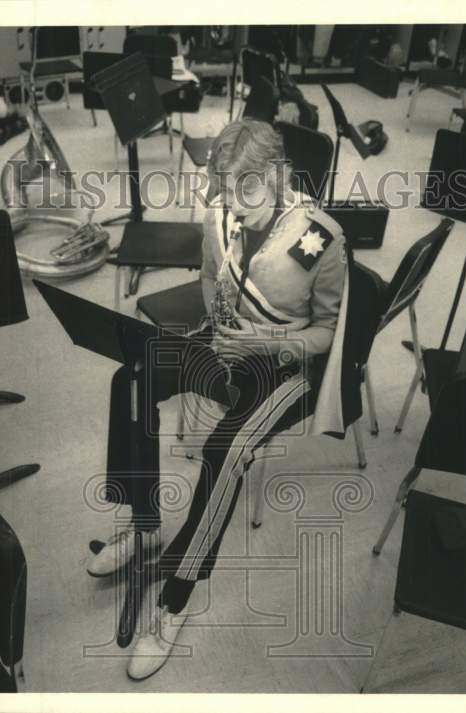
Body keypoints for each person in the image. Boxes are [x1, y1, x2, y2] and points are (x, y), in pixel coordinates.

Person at [90, 118, 351, 680]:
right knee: (129, 378)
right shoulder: (222, 211)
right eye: (225, 192)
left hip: (287, 363)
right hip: (227, 341)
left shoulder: (319, 237)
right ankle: (143, 527)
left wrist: (265, 340)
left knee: (226, 451)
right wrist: (217, 327)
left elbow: (330, 331)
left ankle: (178, 596)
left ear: (279, 174)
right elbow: (211, 276)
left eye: (246, 190)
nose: (234, 206)